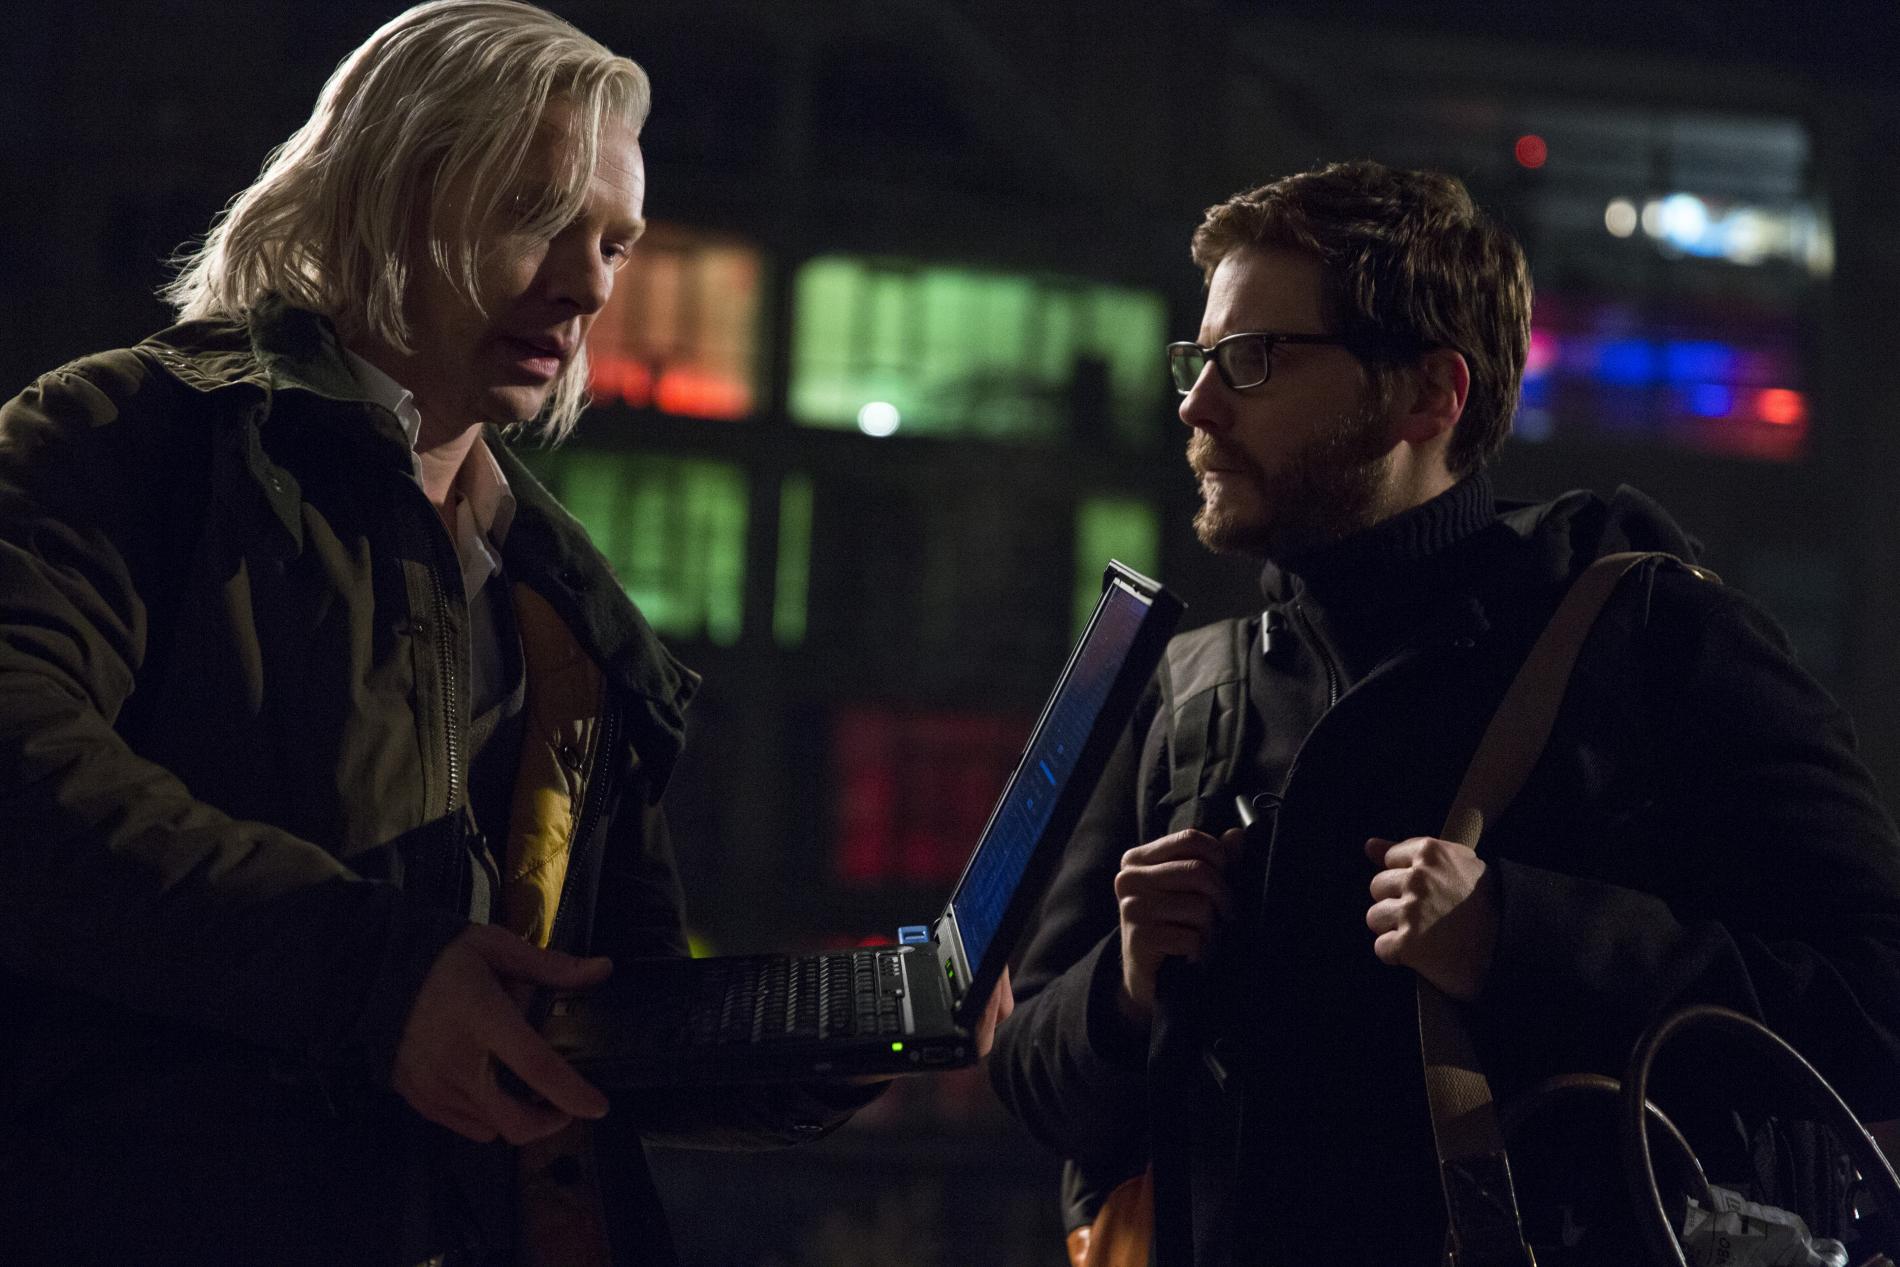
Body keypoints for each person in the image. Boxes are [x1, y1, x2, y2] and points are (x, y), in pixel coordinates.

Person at [0, 4, 908, 1263]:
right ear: (383, 195)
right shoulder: (125, 439)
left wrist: (848, 1034)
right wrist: (381, 977)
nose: (592, 284)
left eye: (615, 242)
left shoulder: (561, 597)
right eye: (535, 215)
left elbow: (596, 1006)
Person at [989, 160, 1900, 1264]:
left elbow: (1876, 1002)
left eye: (1254, 358)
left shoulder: (1649, 638)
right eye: (1200, 359)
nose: (1198, 403)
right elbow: (1030, 1079)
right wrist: (1126, 991)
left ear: (1430, 395)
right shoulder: (1191, 689)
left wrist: (1522, 936)